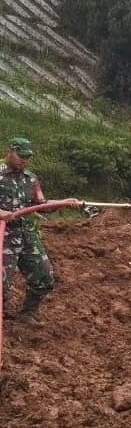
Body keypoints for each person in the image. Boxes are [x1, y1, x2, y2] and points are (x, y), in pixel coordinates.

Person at [0, 137, 54, 322]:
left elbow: (40, 204)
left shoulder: (30, 179)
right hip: (3, 235)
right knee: (1, 287)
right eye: (20, 155)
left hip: (26, 234)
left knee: (44, 276)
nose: (24, 160)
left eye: (27, 157)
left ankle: (28, 313)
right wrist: (1, 213)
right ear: (10, 151)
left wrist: (65, 203)